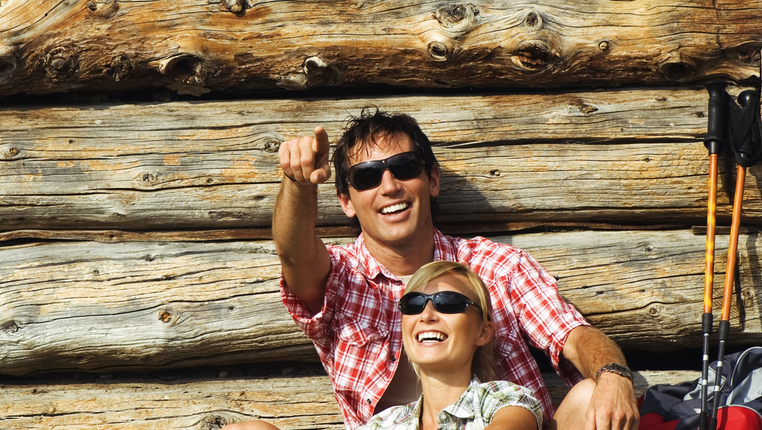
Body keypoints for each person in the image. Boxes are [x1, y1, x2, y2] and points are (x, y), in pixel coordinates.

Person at [226, 108, 639, 430]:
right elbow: (295, 254)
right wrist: (298, 184)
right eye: (367, 176)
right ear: (347, 201)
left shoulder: (496, 266)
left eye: (404, 168)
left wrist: (615, 376)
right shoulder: (342, 278)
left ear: (432, 180)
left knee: (590, 395)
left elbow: (570, 334)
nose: (389, 186)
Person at [360, 260, 542, 430]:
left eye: (448, 303)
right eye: (413, 303)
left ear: (483, 332)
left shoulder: (503, 400)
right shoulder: (384, 423)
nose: (426, 315)